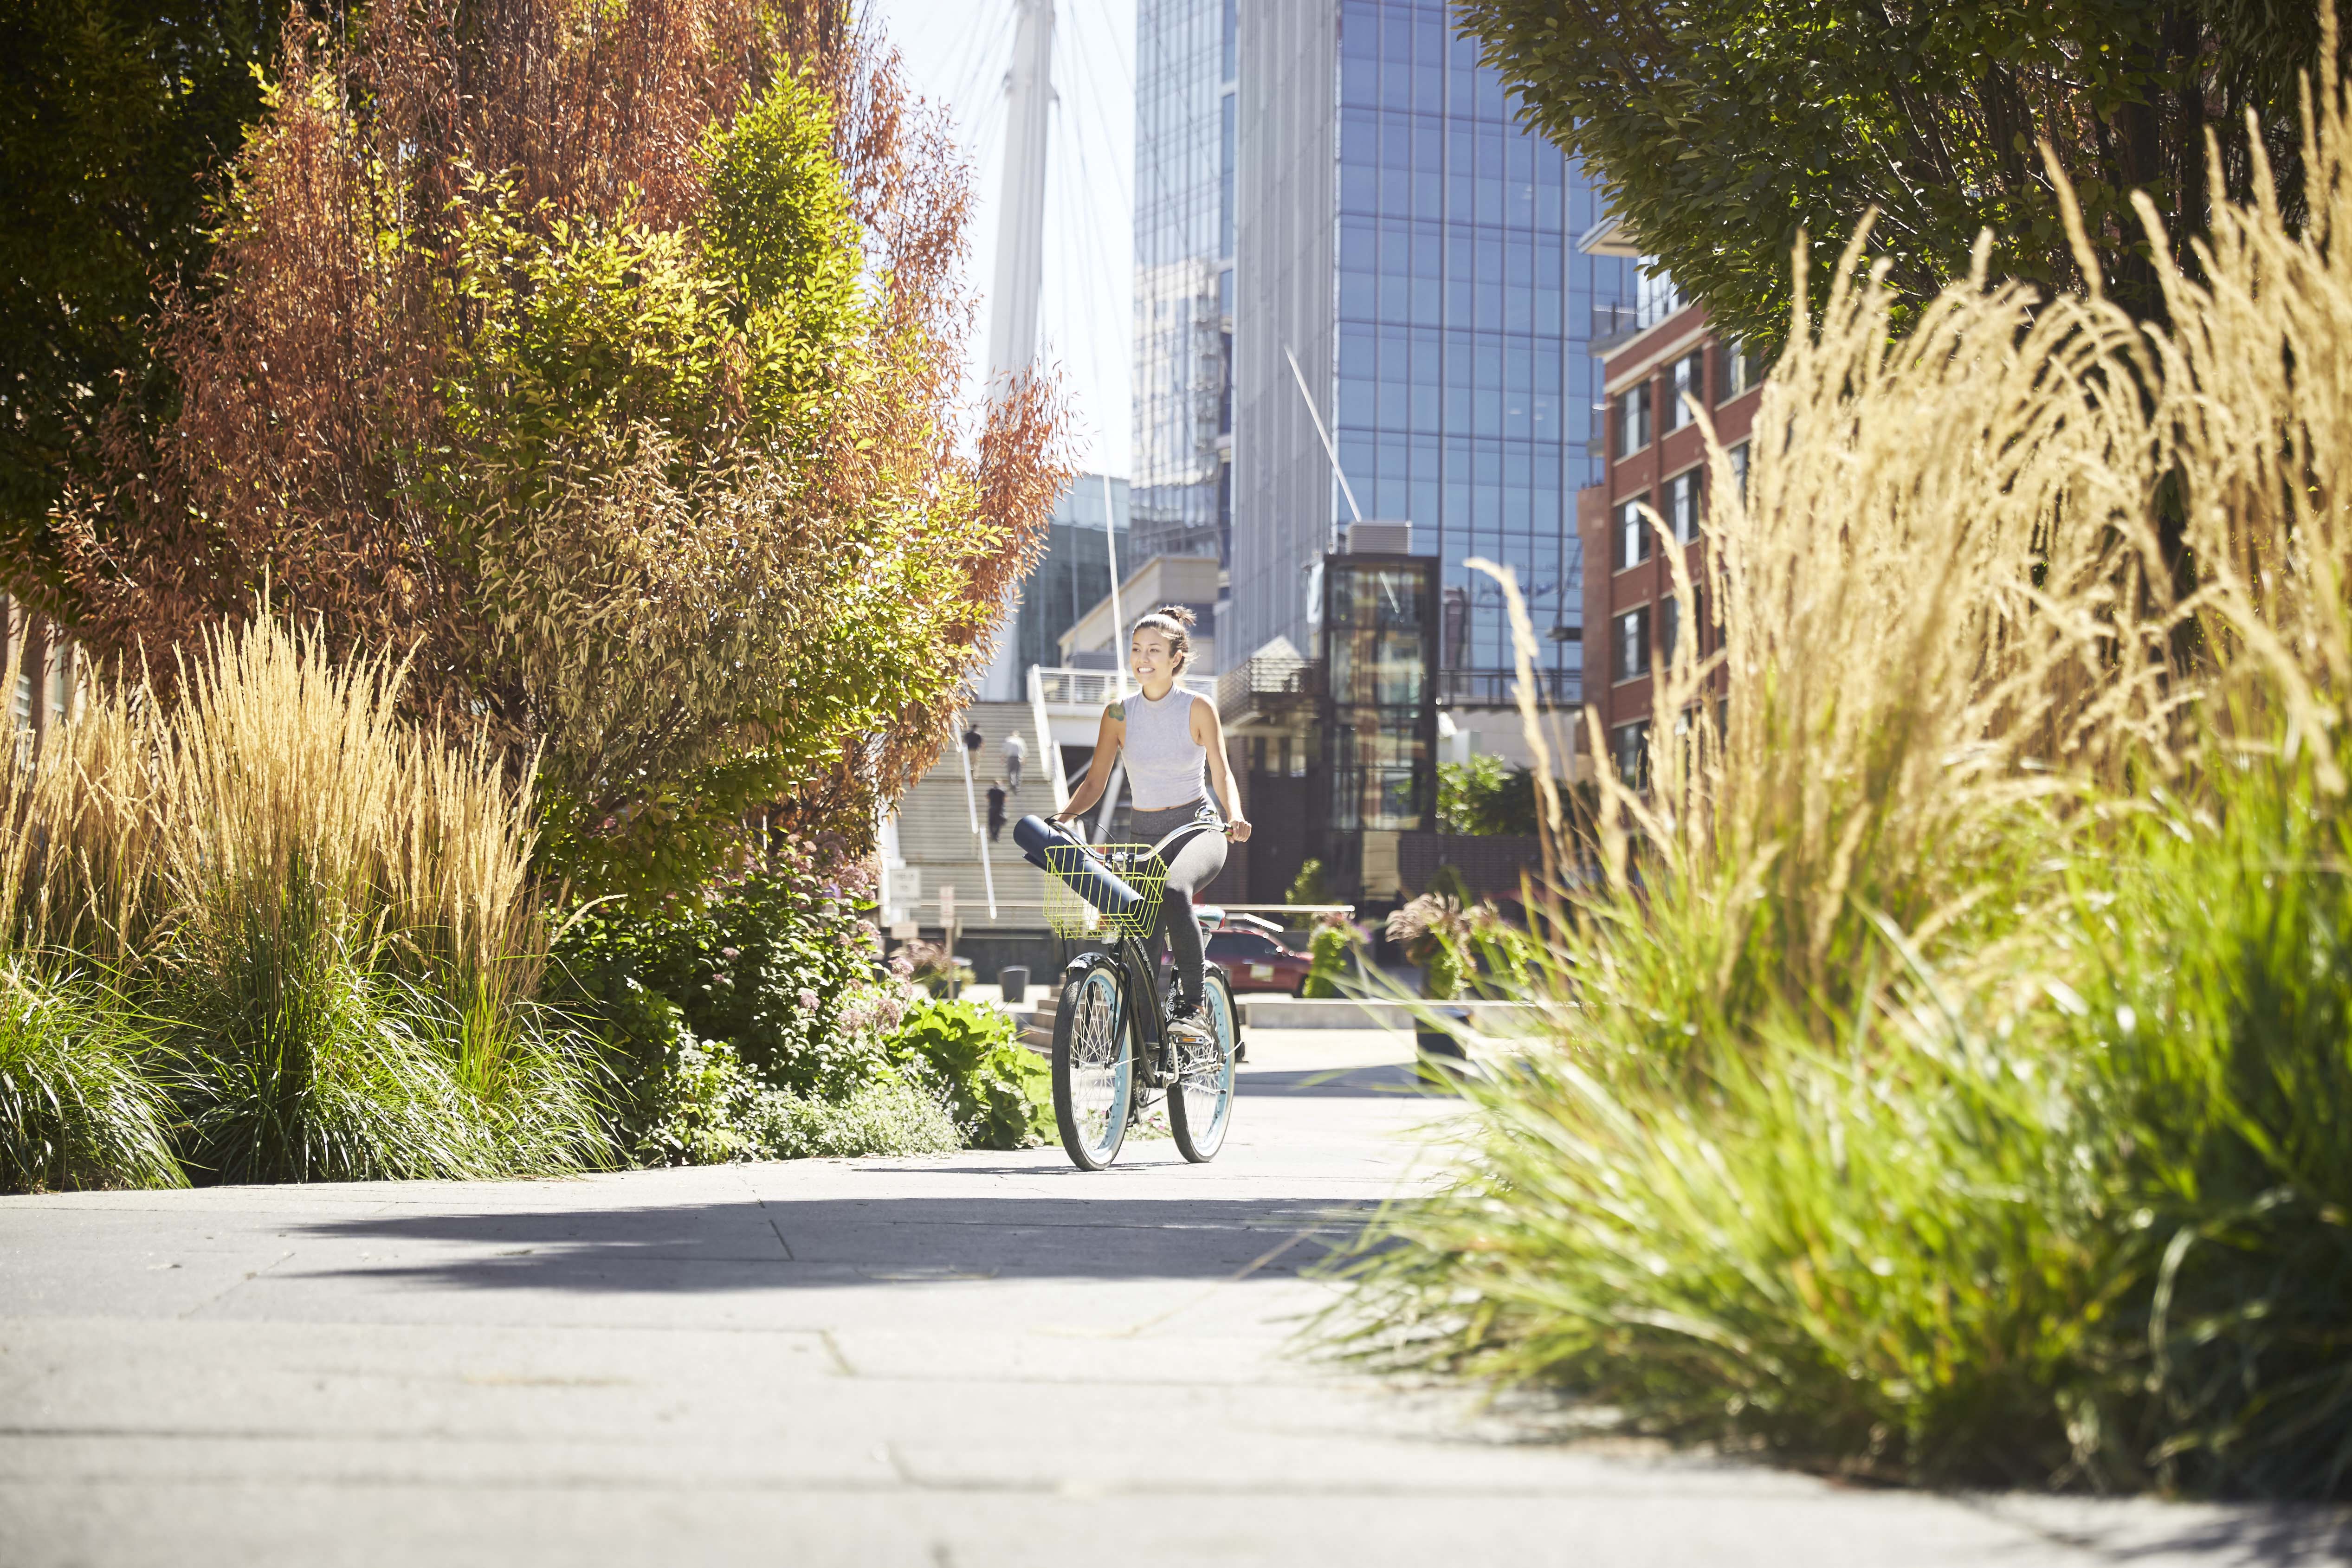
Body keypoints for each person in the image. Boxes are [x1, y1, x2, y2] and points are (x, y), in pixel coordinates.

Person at [1048, 604, 1250, 1051]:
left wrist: (1233, 813)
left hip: (1198, 830)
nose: (1143, 658)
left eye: (1154, 650)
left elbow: (1222, 771)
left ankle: (1194, 1008)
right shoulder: (1118, 714)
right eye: (1137, 649)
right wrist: (1063, 817)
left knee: (1175, 890)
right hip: (1145, 838)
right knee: (1138, 946)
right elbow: (1097, 780)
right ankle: (1145, 1065)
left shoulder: (1198, 708)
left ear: (1176, 658)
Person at [1001, 730, 1026, 794]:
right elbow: (1024, 751)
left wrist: (1003, 760)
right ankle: (1017, 787)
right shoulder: (1021, 741)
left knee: (1010, 772)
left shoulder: (1008, 740)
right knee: (1018, 773)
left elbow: (1004, 750)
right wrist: (1024, 760)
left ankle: (1011, 785)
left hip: (1010, 758)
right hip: (1018, 758)